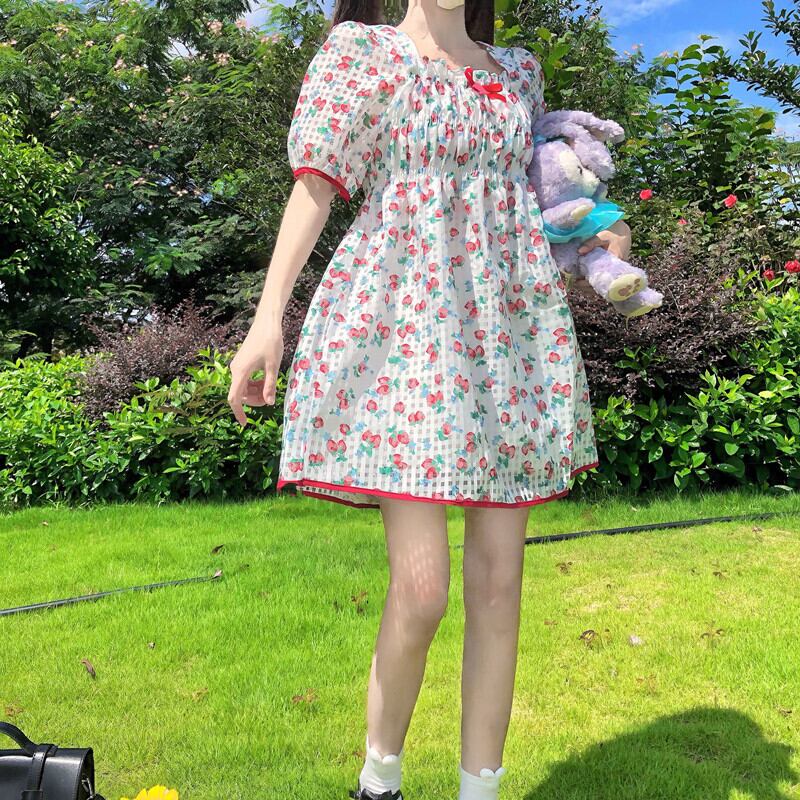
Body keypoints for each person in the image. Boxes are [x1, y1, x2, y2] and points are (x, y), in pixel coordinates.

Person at [227, 1, 632, 798]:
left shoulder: (518, 73)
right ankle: (379, 780)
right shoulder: (362, 53)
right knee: (421, 590)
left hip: (509, 337)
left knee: (498, 587)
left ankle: (481, 789)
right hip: (405, 332)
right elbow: (315, 187)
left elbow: (540, 198)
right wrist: (267, 317)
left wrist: (600, 236)